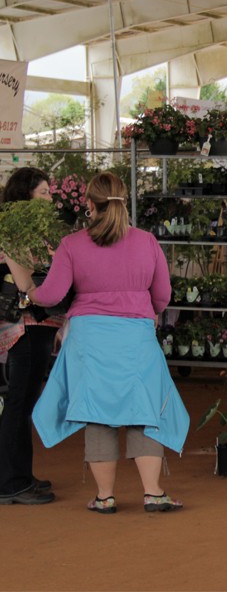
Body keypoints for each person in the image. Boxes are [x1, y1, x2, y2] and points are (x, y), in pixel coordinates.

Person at [16, 172, 190, 515]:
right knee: (145, 412)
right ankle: (153, 494)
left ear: (89, 205)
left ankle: (104, 497)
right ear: (124, 203)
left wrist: (29, 290)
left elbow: (51, 295)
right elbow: (163, 296)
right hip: (136, 338)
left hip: (89, 340)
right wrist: (140, 312)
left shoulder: (73, 244)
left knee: (97, 414)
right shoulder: (146, 242)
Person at [0, 167, 62, 506]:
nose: (49, 198)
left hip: (39, 325)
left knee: (24, 403)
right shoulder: (14, 231)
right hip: (23, 327)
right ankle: (10, 483)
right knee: (18, 402)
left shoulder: (33, 231)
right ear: (25, 195)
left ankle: (20, 475)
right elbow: (27, 286)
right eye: (43, 193)